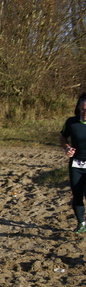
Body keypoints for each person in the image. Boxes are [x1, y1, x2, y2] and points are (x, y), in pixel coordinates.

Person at [59, 93, 86, 233]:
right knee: (77, 194)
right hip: (76, 164)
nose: (84, 112)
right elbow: (62, 137)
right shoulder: (71, 122)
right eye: (82, 109)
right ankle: (81, 223)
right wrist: (67, 148)